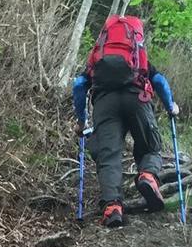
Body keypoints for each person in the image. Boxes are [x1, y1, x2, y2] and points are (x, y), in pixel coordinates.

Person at [72, 14, 180, 228]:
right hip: (138, 99)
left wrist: (81, 122)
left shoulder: (97, 62)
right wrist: (171, 107)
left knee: (108, 155)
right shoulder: (138, 59)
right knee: (149, 146)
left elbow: (78, 86)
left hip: (105, 104)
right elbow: (159, 81)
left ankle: (112, 207)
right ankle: (147, 175)